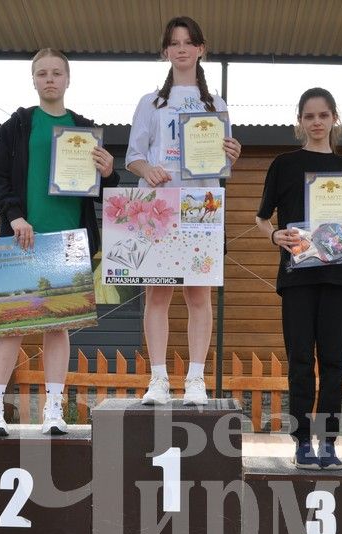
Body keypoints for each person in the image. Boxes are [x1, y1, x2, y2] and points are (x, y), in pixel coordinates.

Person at [0, 48, 119, 436]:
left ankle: (54, 410)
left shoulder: (84, 128)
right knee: (9, 327)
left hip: (68, 242)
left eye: (56, 72)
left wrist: (109, 172)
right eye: (42, 73)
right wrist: (14, 216)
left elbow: (101, 191)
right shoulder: (18, 125)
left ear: (67, 79)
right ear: (33, 79)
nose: (49, 79)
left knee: (58, 328)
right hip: (22, 238)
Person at [126, 15, 242, 406]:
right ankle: (158, 378)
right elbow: (133, 157)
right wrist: (148, 170)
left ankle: (195, 378)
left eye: (188, 42)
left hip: (200, 209)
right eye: (174, 43)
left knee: (198, 297)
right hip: (157, 206)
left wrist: (233, 154)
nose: (181, 49)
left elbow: (220, 164)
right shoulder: (150, 102)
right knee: (156, 297)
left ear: (200, 49)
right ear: (165, 51)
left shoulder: (217, 104)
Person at [255, 88, 342, 471]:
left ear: (334, 118)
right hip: (297, 276)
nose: (316, 122)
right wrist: (274, 236)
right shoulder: (283, 164)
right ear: (299, 121)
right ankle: (302, 441)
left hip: (338, 275)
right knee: (301, 359)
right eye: (309, 116)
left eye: (323, 115)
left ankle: (330, 443)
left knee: (334, 360)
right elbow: (261, 217)